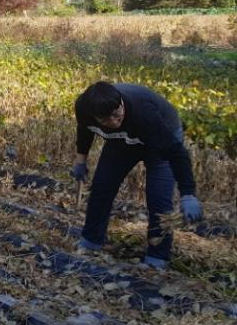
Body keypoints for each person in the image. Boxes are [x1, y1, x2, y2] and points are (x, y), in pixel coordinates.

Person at [71, 81, 203, 269]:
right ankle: (91, 240)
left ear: (121, 103)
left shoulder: (144, 113)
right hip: (122, 140)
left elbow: (176, 153)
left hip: (159, 140)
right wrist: (80, 162)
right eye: (106, 120)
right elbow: (84, 133)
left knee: (158, 199)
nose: (114, 122)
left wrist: (188, 193)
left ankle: (157, 257)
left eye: (117, 114)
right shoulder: (83, 109)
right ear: (94, 117)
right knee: (102, 186)